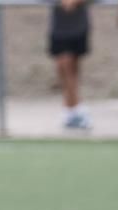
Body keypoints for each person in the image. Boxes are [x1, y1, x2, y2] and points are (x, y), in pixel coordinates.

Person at [49, 0, 92, 130]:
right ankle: (72, 109)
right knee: (63, 67)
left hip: (78, 27)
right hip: (59, 28)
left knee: (72, 68)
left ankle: (75, 109)